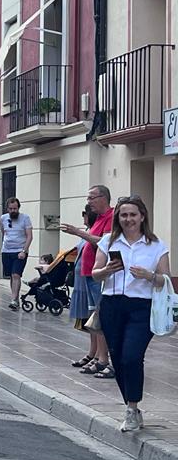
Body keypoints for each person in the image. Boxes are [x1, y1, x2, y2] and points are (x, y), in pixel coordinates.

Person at [91, 195, 170, 433]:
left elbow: (165, 280)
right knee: (117, 357)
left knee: (132, 357)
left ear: (142, 216)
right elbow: (95, 274)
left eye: (133, 214)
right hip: (113, 305)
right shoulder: (108, 241)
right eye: (124, 215)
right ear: (119, 218)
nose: (128, 219)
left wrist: (149, 276)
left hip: (141, 307)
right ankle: (132, 408)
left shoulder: (156, 245)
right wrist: (107, 270)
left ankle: (131, 407)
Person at [62, 185, 115, 377]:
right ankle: (96, 355)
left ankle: (103, 359)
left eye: (92, 197)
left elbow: (103, 242)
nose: (89, 201)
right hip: (89, 274)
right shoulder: (98, 218)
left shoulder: (111, 217)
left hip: (99, 275)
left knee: (99, 318)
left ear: (104, 197)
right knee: (93, 318)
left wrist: (79, 232)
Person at [0, 197, 34, 310]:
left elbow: (29, 235)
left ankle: (14, 300)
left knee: (16, 274)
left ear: (18, 208)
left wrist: (24, 250)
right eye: (10, 209)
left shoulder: (25, 218)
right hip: (6, 250)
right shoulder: (3, 218)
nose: (13, 211)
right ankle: (14, 296)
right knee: (11, 275)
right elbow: (3, 231)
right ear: (7, 209)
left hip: (20, 251)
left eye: (15, 208)